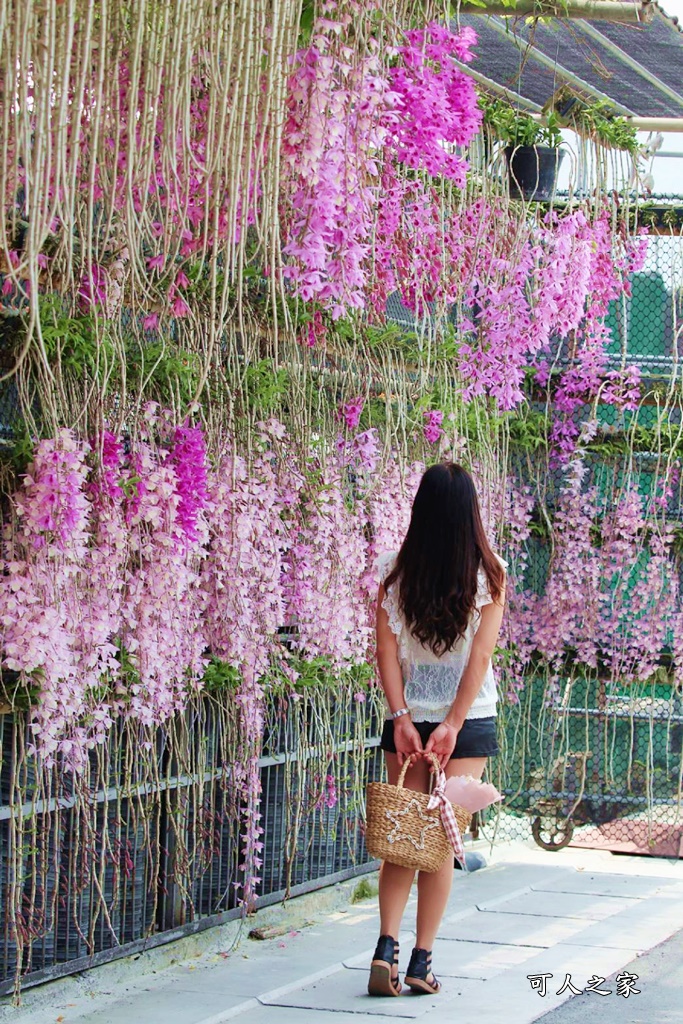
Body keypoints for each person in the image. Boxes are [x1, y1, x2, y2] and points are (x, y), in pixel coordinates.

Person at [367, 462, 507, 998]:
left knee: (404, 838)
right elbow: (481, 657)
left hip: (406, 720)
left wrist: (402, 717)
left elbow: (385, 652)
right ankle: (422, 960)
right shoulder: (490, 573)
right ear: (469, 514)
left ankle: (385, 947)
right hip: (465, 725)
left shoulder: (394, 571)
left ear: (420, 511)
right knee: (443, 839)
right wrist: (451, 725)